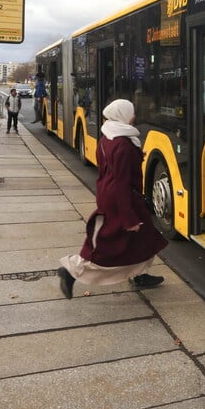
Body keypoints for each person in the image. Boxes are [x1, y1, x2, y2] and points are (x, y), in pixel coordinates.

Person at [57, 99, 168, 299]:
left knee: (144, 239)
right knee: (108, 247)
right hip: (123, 200)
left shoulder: (108, 137)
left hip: (110, 195)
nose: (134, 116)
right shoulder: (123, 145)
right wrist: (129, 218)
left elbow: (109, 171)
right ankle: (72, 271)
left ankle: (140, 275)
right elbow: (121, 183)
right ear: (123, 115)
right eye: (131, 112)